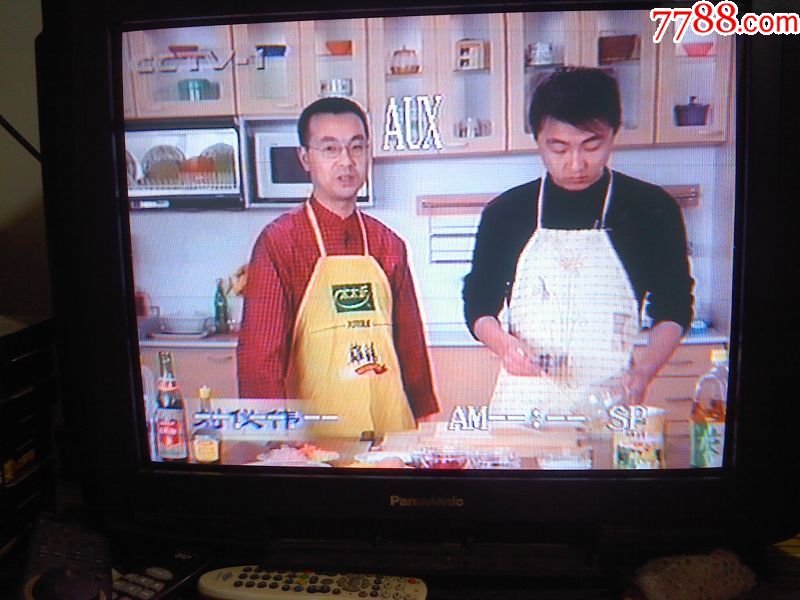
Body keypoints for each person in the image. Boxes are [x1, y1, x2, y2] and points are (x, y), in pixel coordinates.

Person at [463, 67, 694, 422]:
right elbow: (478, 301)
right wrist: (507, 348)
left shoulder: (651, 208)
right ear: (537, 138)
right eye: (558, 147)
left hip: (611, 399)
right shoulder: (506, 213)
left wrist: (643, 371)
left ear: (614, 134)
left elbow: (674, 306)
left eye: (592, 145)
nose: (575, 164)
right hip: (525, 405)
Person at [237, 97, 439, 438]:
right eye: (330, 149)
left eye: (356, 147)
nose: (346, 161)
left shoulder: (389, 244)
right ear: (305, 158)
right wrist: (272, 439)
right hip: (314, 444)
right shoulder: (280, 242)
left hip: (391, 432)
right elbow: (261, 356)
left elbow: (410, 342)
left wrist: (426, 415)